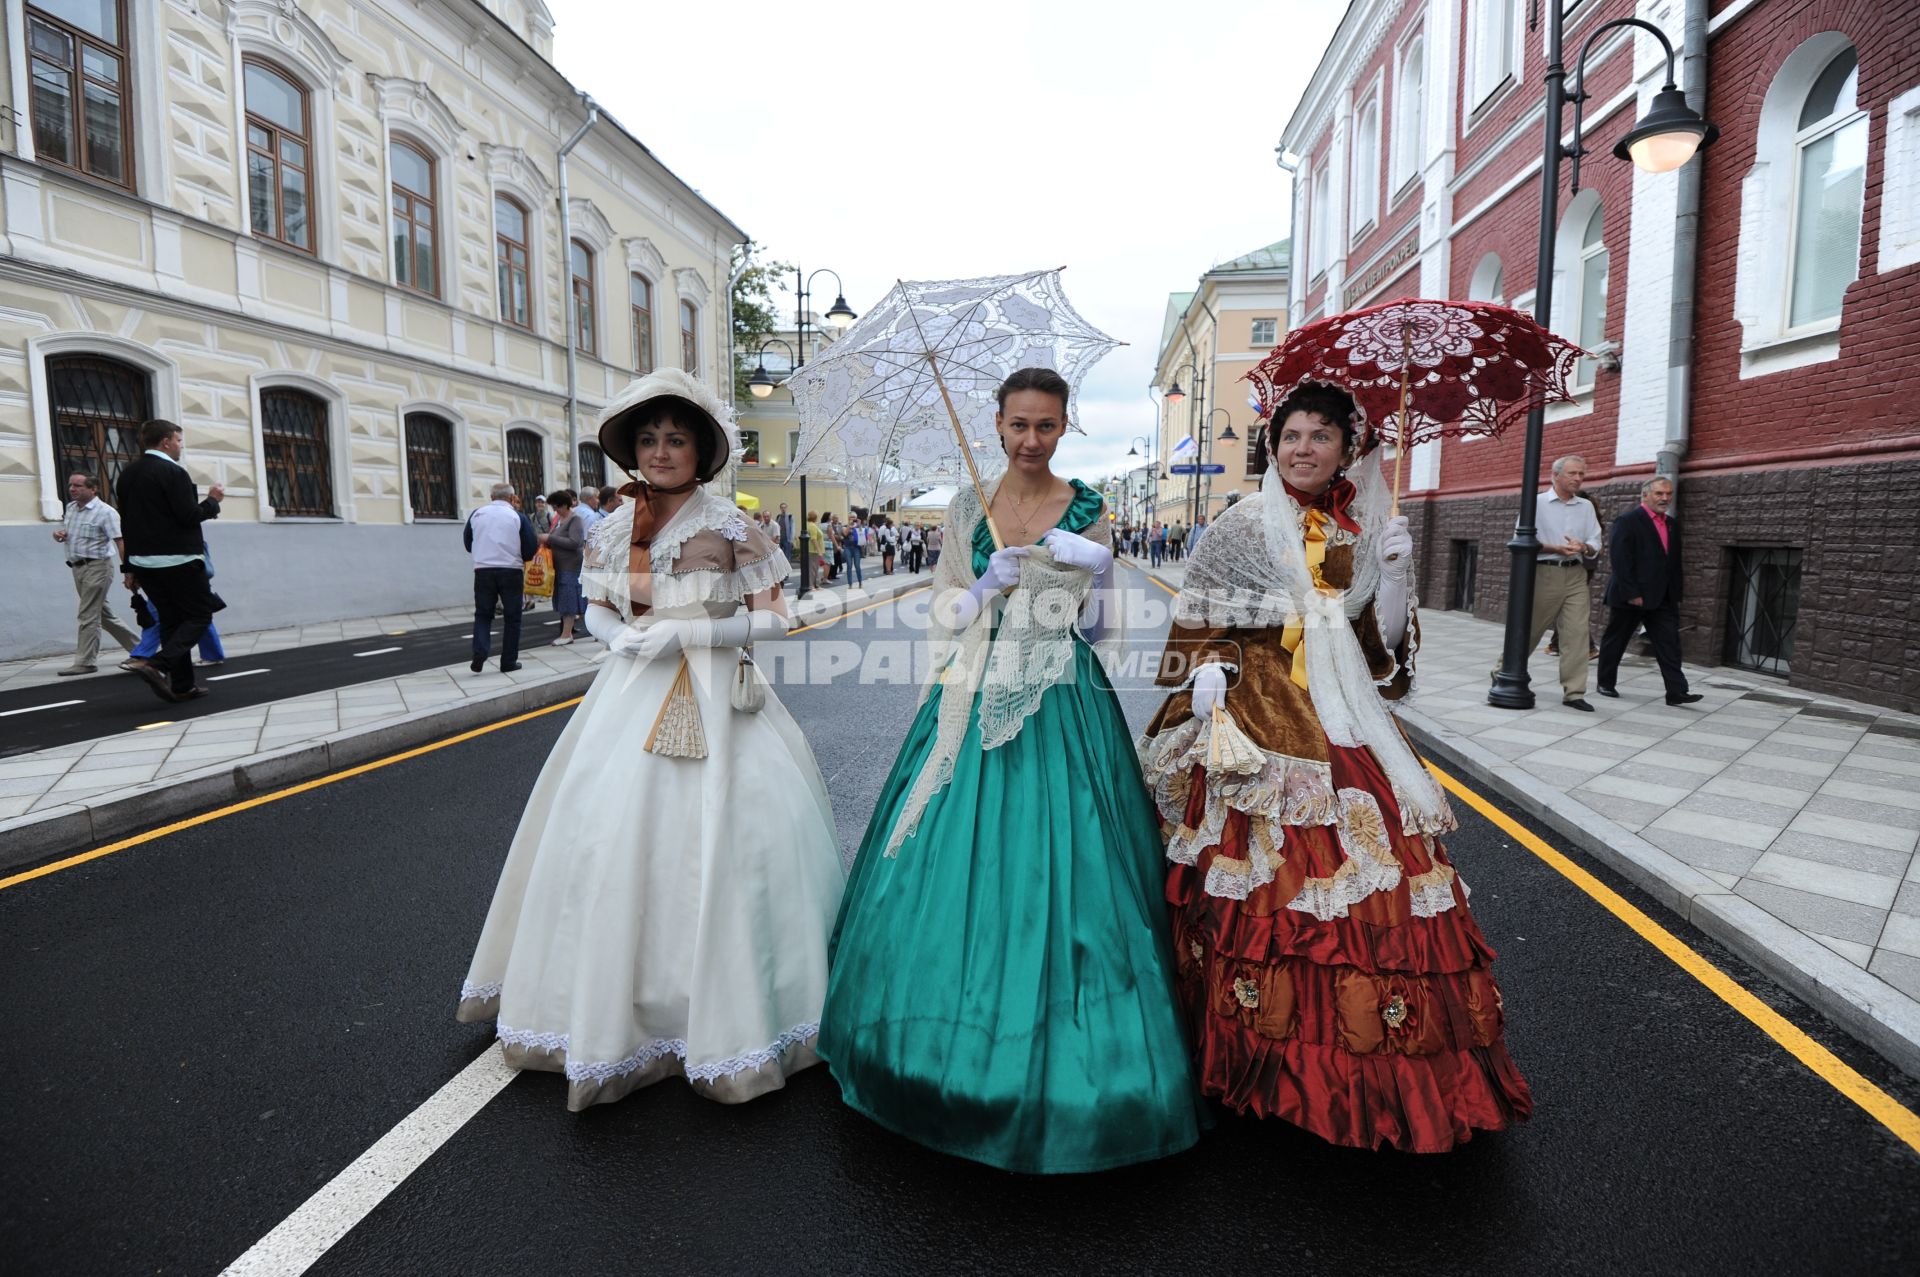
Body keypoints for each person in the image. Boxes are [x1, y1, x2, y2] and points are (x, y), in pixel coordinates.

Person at [819, 367, 1205, 1174]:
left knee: (1075, 869)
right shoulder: (967, 508)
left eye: (1048, 426)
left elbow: (1098, 633)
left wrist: (1097, 570)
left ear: (1066, 427)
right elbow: (943, 609)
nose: (1032, 439)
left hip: (1064, 700)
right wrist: (986, 586)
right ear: (996, 424)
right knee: (953, 856)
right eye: (1019, 424)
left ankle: (1081, 1052)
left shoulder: (1090, 509)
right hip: (969, 692)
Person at [1139, 379, 1532, 1153]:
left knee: (1379, 866)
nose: (1304, 448)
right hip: (1257, 708)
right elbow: (1195, 626)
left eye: (1321, 435)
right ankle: (1253, 1052)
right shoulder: (1241, 524)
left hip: (1344, 712)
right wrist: (1212, 668)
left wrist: (1391, 573)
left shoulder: (1359, 529)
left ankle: (1378, 1072)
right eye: (1292, 435)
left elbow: (1379, 655)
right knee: (1259, 881)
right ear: (1273, 444)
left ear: (1346, 448)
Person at [458, 367, 843, 1109]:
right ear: (633, 451)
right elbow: (596, 605)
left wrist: (699, 632)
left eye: (676, 438)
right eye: (648, 439)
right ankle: (614, 1007)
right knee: (609, 838)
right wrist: (621, 640)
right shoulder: (613, 527)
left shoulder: (733, 525)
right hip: (630, 699)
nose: (662, 451)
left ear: (701, 449)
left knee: (730, 843)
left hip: (721, 705)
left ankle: (735, 1010)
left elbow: (775, 616)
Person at [116, 419, 224, 703]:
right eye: (178, 440)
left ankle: (182, 686)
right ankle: (156, 664)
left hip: (144, 563)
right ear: (165, 442)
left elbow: (126, 524)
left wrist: (128, 568)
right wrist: (212, 502)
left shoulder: (127, 474)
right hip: (180, 560)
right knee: (200, 615)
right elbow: (188, 516)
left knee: (171, 622)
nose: (180, 446)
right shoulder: (173, 472)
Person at [1597, 476, 1701, 706]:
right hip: (1631, 596)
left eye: (1668, 494)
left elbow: (1673, 562)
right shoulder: (1627, 521)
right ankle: (1605, 682)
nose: (1665, 498)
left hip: (1663, 596)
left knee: (1669, 643)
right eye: (1659, 494)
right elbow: (1620, 560)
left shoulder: (1672, 524)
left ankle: (1676, 691)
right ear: (1645, 495)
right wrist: (1632, 593)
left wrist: (1675, 593)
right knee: (1616, 640)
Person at [1509, 455, 1603, 710]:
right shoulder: (1536, 503)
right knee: (1530, 629)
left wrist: (1583, 546)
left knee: (1577, 633)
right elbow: (1521, 539)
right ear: (1556, 475)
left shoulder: (1585, 506)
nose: (1578, 479)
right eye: (1573, 473)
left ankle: (1574, 692)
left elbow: (1596, 543)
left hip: (1576, 574)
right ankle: (1503, 671)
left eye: (1581, 474)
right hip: (1545, 572)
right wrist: (1556, 548)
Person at [52, 472, 140, 676]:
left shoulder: (106, 512)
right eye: (70, 485)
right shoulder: (71, 508)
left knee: (87, 614)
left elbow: (120, 541)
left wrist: (128, 570)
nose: (72, 489)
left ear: (93, 489)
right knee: (103, 614)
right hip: (77, 567)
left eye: (78, 486)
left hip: (98, 567)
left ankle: (85, 661)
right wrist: (60, 535)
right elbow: (71, 535)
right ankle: (141, 650)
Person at [464, 483, 538, 673]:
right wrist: (521, 557)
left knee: (483, 614)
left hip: (483, 570)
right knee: (512, 618)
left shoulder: (477, 514)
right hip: (510, 570)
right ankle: (508, 662)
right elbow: (530, 546)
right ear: (512, 498)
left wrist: (483, 552)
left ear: (491, 496)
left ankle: (480, 651)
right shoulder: (517, 517)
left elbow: (467, 542)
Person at [540, 489, 586, 645]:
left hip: (570, 566)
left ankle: (567, 634)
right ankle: (592, 633)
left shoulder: (575, 520)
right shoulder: (559, 519)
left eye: (556, 506)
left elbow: (575, 542)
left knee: (570, 600)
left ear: (565, 505)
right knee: (569, 600)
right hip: (560, 566)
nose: (555, 510)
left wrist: (550, 538)